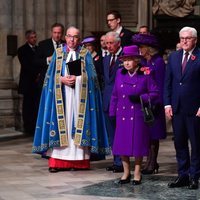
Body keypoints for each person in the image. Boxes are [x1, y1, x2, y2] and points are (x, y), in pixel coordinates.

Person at [32, 26, 110, 172]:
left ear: (79, 39)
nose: (71, 40)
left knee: (77, 126)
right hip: (61, 97)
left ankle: (78, 162)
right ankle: (57, 163)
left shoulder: (85, 54)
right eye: (69, 36)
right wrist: (60, 79)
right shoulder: (58, 53)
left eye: (75, 37)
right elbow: (48, 77)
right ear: (65, 37)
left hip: (79, 97)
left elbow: (94, 78)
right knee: (63, 125)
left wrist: (79, 79)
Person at [109, 45, 159, 185]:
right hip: (122, 114)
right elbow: (114, 94)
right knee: (122, 145)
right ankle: (126, 173)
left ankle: (137, 173)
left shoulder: (145, 73)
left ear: (137, 60)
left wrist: (141, 98)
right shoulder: (120, 73)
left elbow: (155, 93)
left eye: (130, 60)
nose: (127, 63)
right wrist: (113, 111)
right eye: (125, 60)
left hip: (137, 114)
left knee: (137, 145)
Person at [164, 26, 200, 190]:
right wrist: (167, 103)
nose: (184, 41)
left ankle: (195, 176)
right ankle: (183, 175)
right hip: (177, 108)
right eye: (182, 38)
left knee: (196, 144)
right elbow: (168, 82)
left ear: (195, 40)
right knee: (180, 144)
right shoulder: (173, 57)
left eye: (188, 38)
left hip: (195, 109)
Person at [132, 34, 166, 174]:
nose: (140, 50)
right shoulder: (145, 62)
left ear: (148, 48)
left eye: (141, 47)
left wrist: (157, 102)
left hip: (155, 104)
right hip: (144, 103)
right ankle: (149, 163)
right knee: (147, 134)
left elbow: (161, 83)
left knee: (154, 134)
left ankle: (152, 163)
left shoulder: (158, 62)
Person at [103, 31, 123, 173]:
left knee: (121, 132)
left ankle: (122, 161)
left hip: (121, 102)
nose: (108, 46)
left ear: (118, 43)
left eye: (111, 43)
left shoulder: (125, 58)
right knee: (111, 134)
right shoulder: (105, 59)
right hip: (106, 101)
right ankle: (116, 161)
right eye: (106, 43)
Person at [17, 30, 41, 136]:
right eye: (32, 37)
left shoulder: (38, 49)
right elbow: (26, 65)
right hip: (28, 82)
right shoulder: (22, 50)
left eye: (35, 37)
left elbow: (40, 62)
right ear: (27, 38)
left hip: (37, 83)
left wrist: (40, 74)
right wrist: (37, 74)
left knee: (36, 105)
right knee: (27, 106)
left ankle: (36, 127)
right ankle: (28, 128)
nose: (34, 39)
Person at [36, 22, 65, 91]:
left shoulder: (66, 44)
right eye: (55, 32)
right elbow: (36, 61)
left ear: (62, 33)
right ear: (51, 32)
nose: (57, 35)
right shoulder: (43, 44)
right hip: (47, 80)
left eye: (59, 33)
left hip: (62, 80)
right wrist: (48, 59)